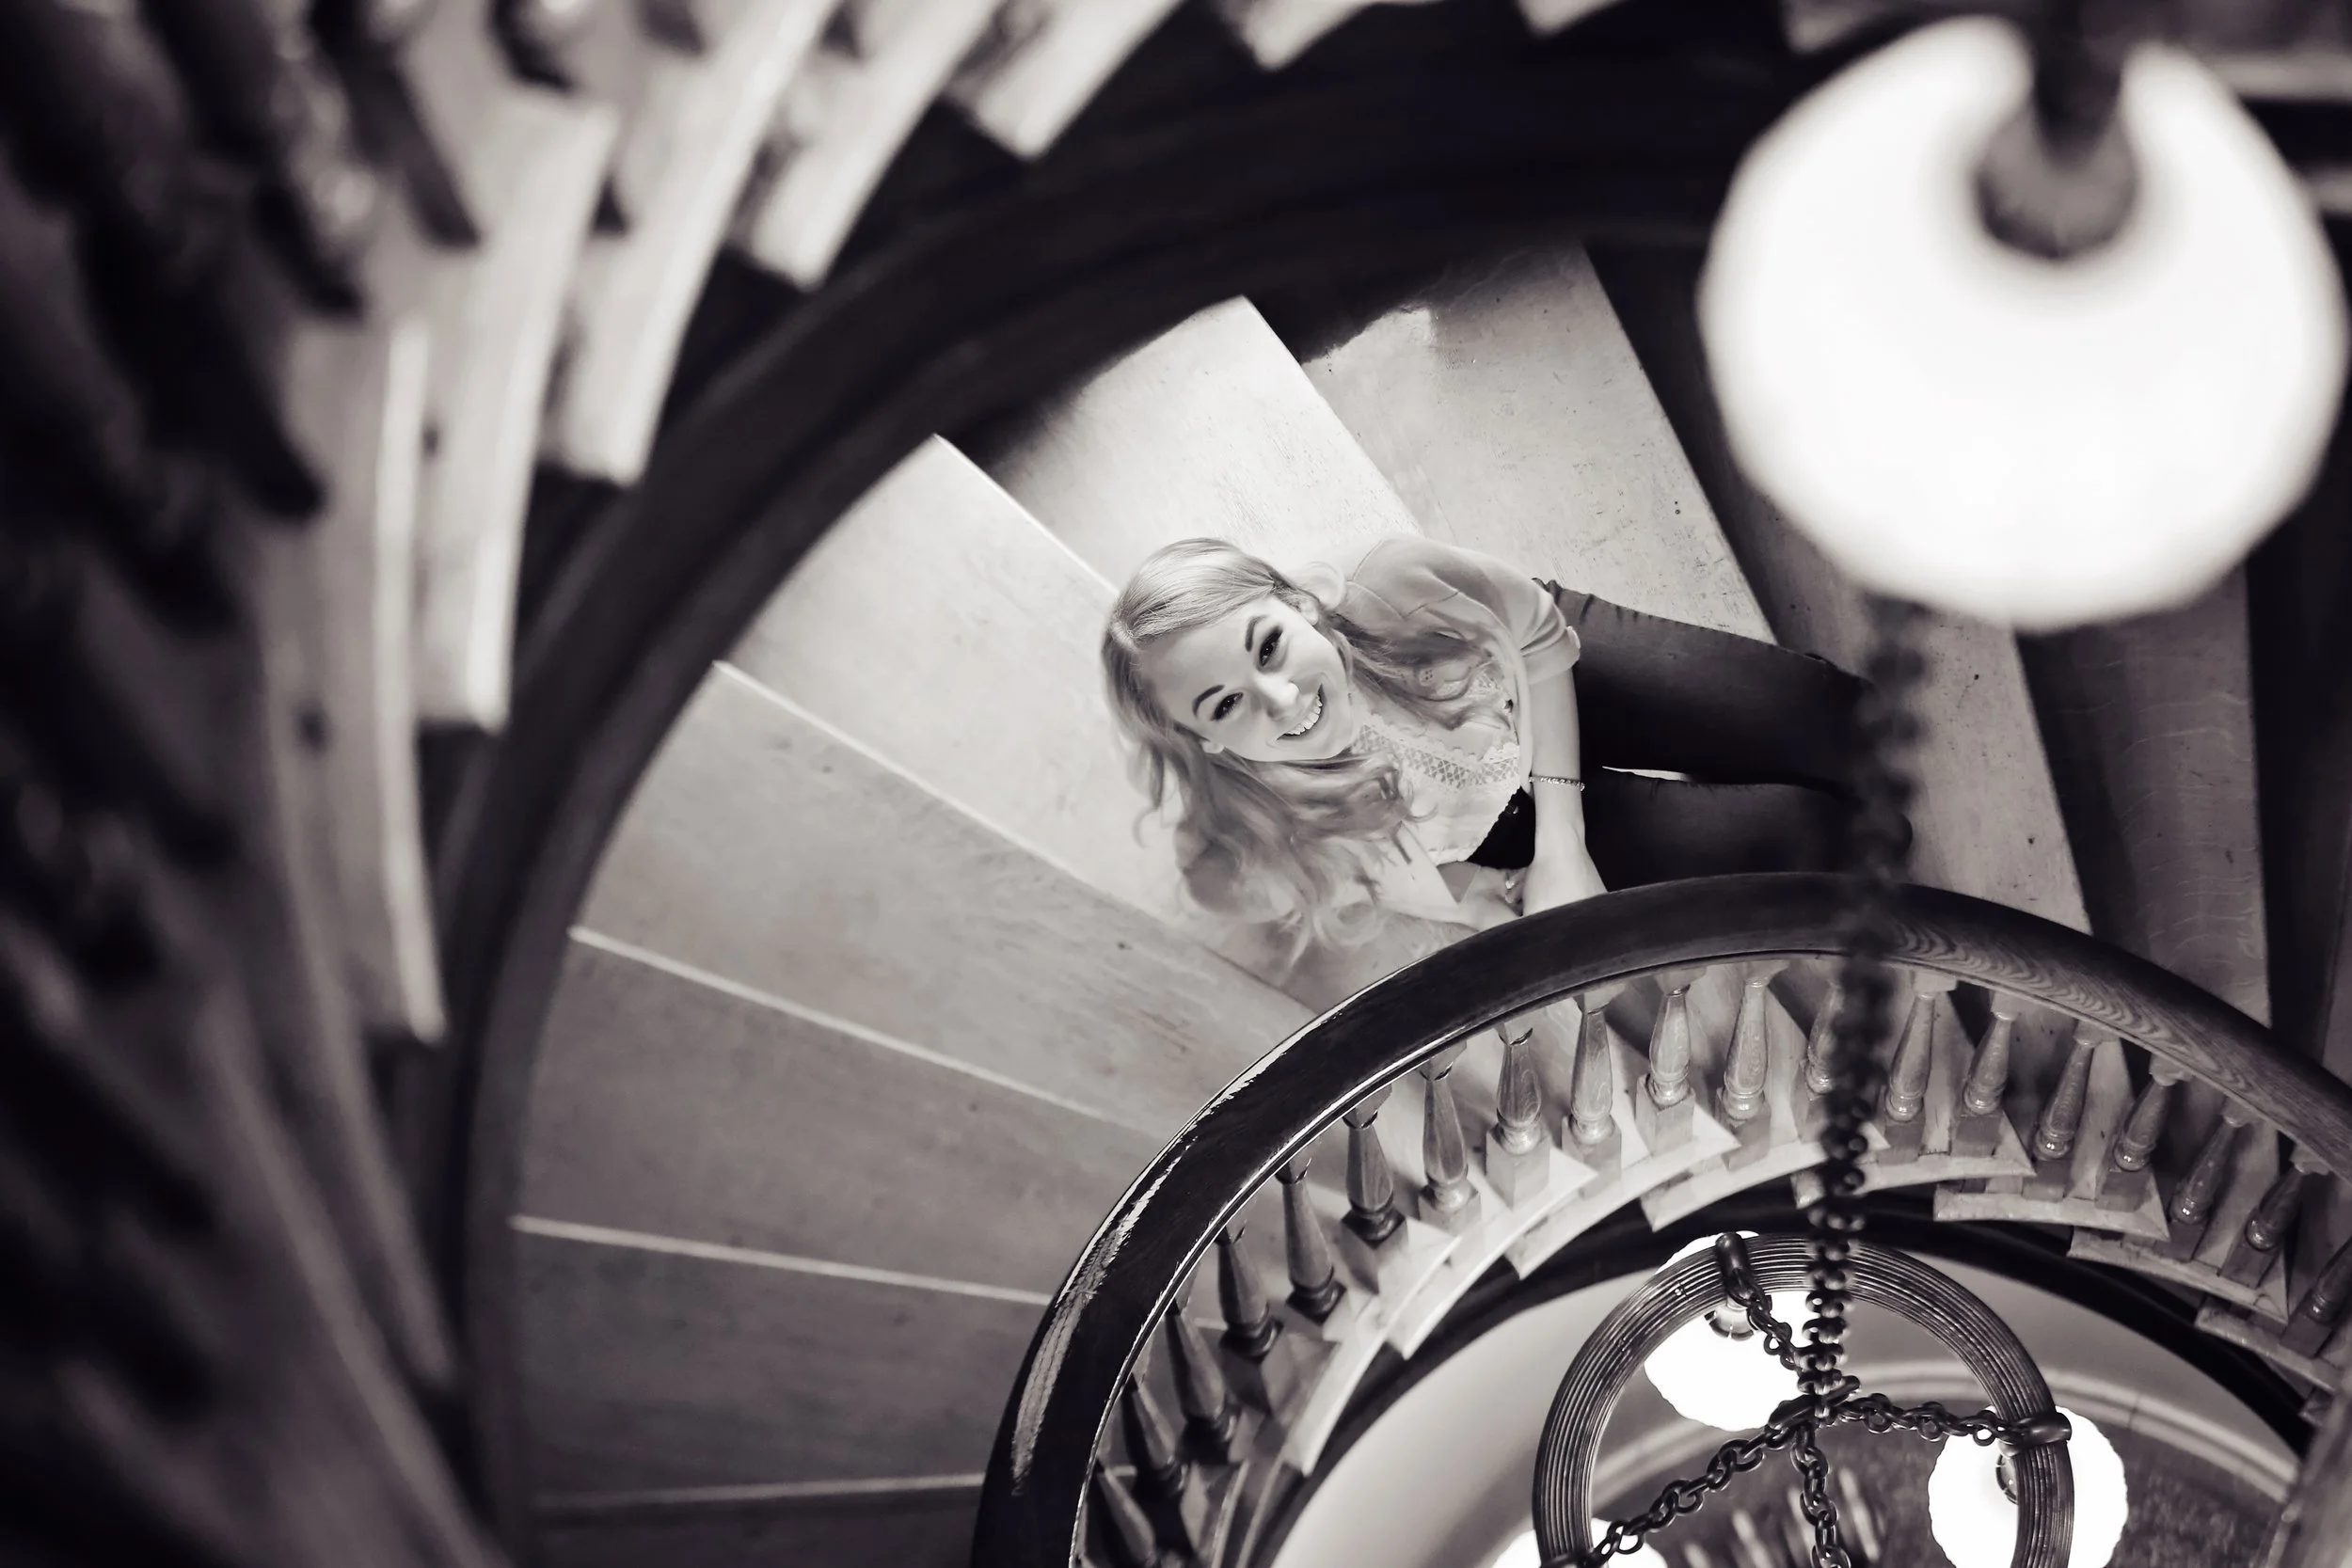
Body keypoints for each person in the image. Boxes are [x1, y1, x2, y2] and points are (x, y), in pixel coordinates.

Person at [1101, 532, 1882, 1005]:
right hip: (1496, 827)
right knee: (1822, 839)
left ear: (1297, 602)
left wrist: (1566, 846)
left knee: (1848, 722)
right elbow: (1239, 881)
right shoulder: (1250, 832)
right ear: (1204, 740)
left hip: (1542, 679)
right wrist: (1489, 904)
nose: (1279, 699)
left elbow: (1541, 642)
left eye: (1267, 645)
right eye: (1223, 705)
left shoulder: (1397, 578)